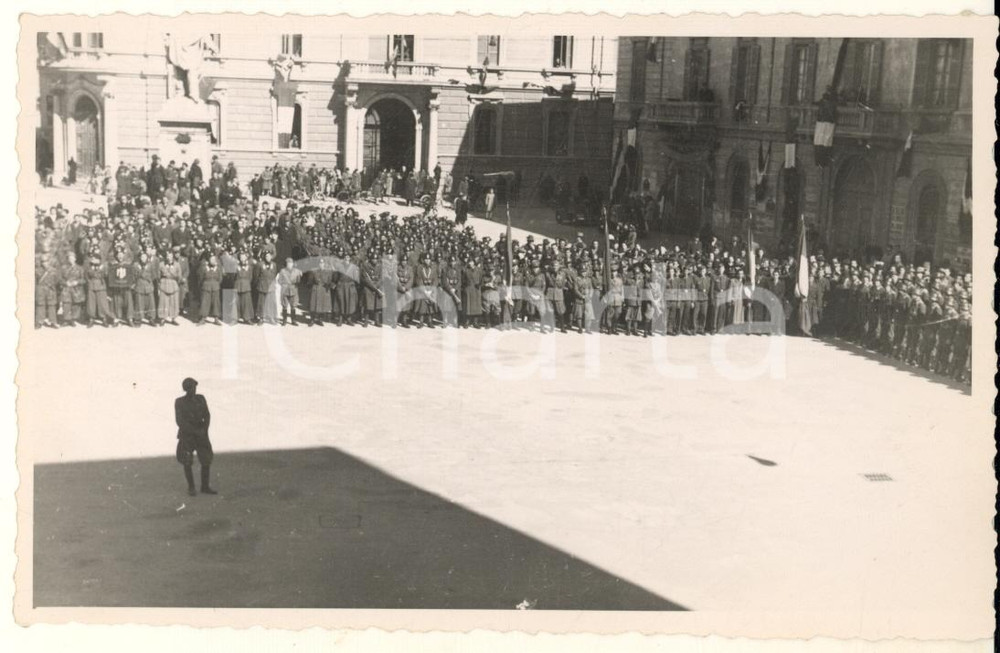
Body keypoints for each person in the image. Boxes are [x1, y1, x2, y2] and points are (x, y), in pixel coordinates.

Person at [174, 377, 216, 497]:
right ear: (186, 389)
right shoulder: (179, 402)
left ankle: (205, 486)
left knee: (206, 459)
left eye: (194, 387)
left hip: (201, 433)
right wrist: (195, 431)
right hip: (187, 435)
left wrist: (204, 429)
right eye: (192, 387)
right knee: (187, 460)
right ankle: (191, 487)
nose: (194, 389)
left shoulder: (200, 399)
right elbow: (179, 421)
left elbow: (207, 415)